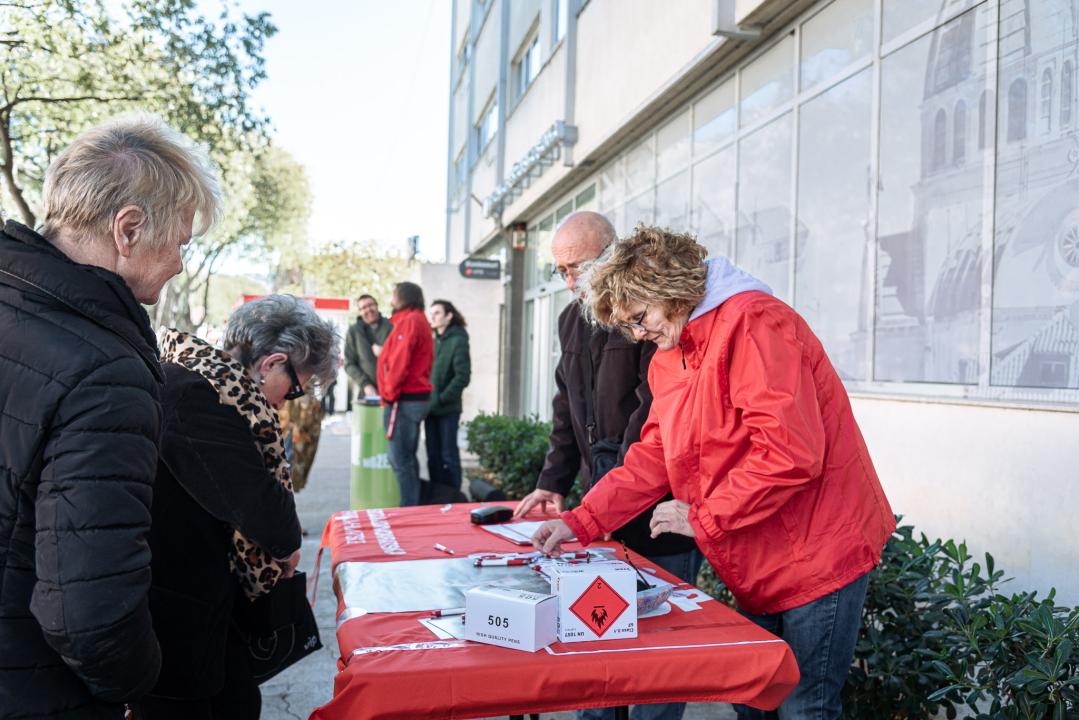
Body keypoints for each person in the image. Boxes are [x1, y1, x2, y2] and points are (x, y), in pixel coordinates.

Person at [533, 225, 896, 720]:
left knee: (802, 706)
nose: (638, 334)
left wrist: (704, 516)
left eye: (639, 318)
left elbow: (791, 451)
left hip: (819, 548)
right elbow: (654, 452)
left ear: (671, 291)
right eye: (628, 326)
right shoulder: (671, 354)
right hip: (756, 551)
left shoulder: (754, 323)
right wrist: (580, 521)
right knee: (752, 697)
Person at [0, 114, 221, 719]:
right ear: (128, 229)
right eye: (181, 240)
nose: (179, 261)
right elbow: (87, 610)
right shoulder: (105, 369)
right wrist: (133, 682)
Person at [515, 212, 700, 720]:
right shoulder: (571, 319)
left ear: (613, 257)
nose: (572, 281)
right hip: (603, 500)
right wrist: (554, 482)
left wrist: (612, 491)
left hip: (657, 509)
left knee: (657, 660)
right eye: (562, 272)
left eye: (580, 267)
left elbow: (654, 419)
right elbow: (565, 402)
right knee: (596, 641)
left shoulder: (650, 318)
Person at [134, 295, 338, 720]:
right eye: (295, 388)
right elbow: (260, 505)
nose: (287, 403)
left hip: (194, 599)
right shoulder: (197, 397)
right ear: (271, 363)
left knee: (240, 700)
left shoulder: (204, 387)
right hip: (173, 610)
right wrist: (285, 545)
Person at [377, 281, 435, 506]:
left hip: (404, 400)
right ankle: (411, 508)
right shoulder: (414, 320)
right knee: (406, 459)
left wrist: (389, 395)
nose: (391, 300)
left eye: (394, 295)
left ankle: (409, 510)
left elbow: (400, 363)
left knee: (400, 460)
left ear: (402, 297)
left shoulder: (410, 321)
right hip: (409, 399)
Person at [426, 300, 472, 491]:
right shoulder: (432, 339)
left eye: (437, 313)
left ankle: (454, 496)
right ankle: (439, 495)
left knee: (448, 455)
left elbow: (463, 377)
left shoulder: (458, 340)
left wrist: (442, 398)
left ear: (449, 316)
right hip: (429, 409)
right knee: (433, 457)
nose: (433, 317)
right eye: (432, 313)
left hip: (447, 409)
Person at [344, 293, 393, 400]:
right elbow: (349, 364)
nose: (368, 310)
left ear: (377, 306)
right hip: (367, 392)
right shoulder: (354, 331)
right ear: (360, 312)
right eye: (363, 308)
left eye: (371, 305)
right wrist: (365, 384)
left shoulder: (391, 326)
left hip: (392, 389)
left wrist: (385, 352)